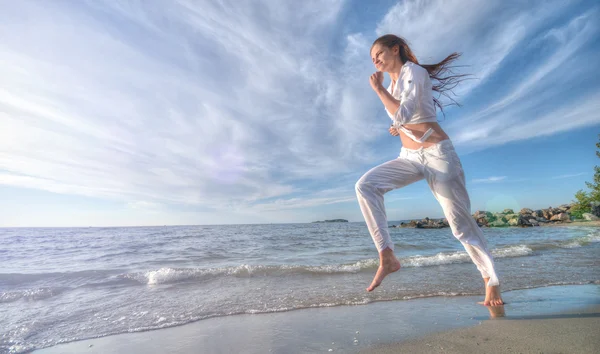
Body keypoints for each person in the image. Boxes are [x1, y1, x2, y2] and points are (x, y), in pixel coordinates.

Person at [355, 34, 504, 306]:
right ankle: (387, 256)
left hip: (438, 155)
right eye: (371, 58)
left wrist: (381, 94)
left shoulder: (415, 72)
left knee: (460, 226)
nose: (374, 60)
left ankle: (490, 281)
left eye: (378, 53)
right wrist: (395, 115)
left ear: (395, 49)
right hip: (409, 156)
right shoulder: (392, 81)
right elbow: (401, 117)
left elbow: (407, 112)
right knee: (366, 185)